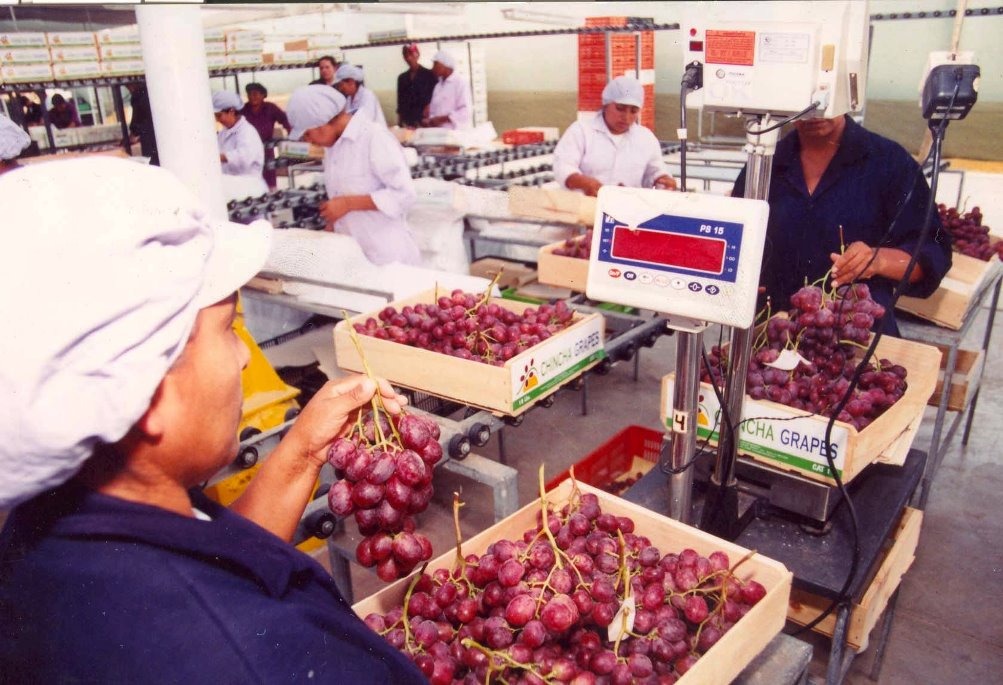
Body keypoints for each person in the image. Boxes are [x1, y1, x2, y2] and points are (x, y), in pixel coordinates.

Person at [0, 157, 424, 683]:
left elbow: (214, 558)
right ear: (151, 393)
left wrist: (303, 452)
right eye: (227, 330)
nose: (245, 357)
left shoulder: (43, 530)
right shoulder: (258, 661)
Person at [731, 113, 953, 335]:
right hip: (770, 337)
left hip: (854, 341)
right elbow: (732, 242)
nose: (815, 113)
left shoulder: (889, 162)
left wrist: (879, 260)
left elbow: (933, 250)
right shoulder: (764, 164)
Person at [287, 85, 421, 266]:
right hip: (354, 255)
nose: (308, 141)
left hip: (386, 256)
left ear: (324, 122)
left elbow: (405, 195)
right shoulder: (333, 148)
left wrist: (348, 204)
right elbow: (340, 196)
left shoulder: (374, 138)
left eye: (308, 134)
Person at [552, 75, 677, 197]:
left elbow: (655, 172)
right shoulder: (581, 131)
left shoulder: (646, 139)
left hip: (628, 211)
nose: (626, 117)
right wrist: (582, 182)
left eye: (633, 111)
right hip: (586, 209)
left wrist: (663, 180)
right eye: (620, 108)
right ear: (606, 105)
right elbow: (563, 166)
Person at [212, 90, 267, 197]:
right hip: (234, 187)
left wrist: (220, 157)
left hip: (250, 187)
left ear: (232, 111)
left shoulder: (247, 131)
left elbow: (245, 157)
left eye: (219, 115)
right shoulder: (223, 133)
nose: (217, 120)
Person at [241, 82, 292, 190]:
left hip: (267, 150)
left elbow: (285, 120)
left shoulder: (270, 108)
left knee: (270, 182)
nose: (252, 96)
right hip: (249, 150)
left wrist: (291, 134)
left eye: (255, 94)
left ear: (263, 95)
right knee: (250, 180)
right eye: (249, 94)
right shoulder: (243, 110)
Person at [421, 50, 471, 130]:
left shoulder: (460, 83)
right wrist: (429, 120)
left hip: (454, 134)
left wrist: (443, 119)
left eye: (435, 64)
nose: (433, 68)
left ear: (445, 65)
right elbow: (434, 112)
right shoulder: (438, 86)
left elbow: (465, 112)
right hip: (438, 134)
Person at [396, 43, 436, 129]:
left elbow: (436, 96)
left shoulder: (429, 75)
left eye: (411, 54)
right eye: (405, 55)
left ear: (417, 54)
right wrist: (399, 122)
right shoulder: (402, 78)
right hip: (407, 121)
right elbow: (400, 102)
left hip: (424, 121)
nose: (408, 58)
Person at [124, 82, 159, 165]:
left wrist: (133, 133)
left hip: (148, 134)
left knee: (151, 160)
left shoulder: (138, 96)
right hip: (157, 131)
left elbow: (137, 119)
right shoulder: (152, 92)